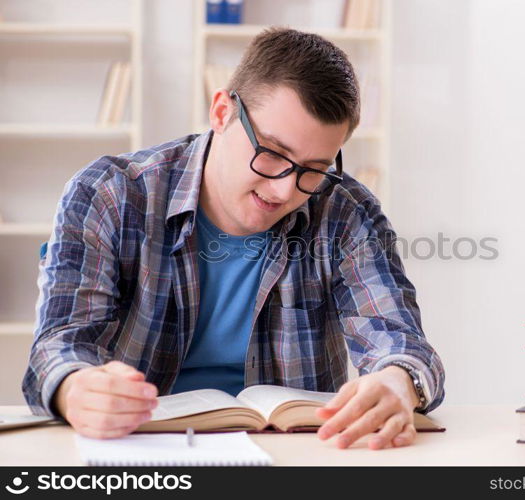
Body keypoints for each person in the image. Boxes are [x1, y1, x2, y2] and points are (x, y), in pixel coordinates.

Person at [22, 27, 445, 450]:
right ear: (222, 112)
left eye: (313, 168)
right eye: (274, 154)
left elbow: (401, 343)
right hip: (140, 452)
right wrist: (76, 388)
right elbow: (58, 348)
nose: (285, 191)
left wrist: (398, 383)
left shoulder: (344, 209)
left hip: (295, 458)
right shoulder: (110, 193)